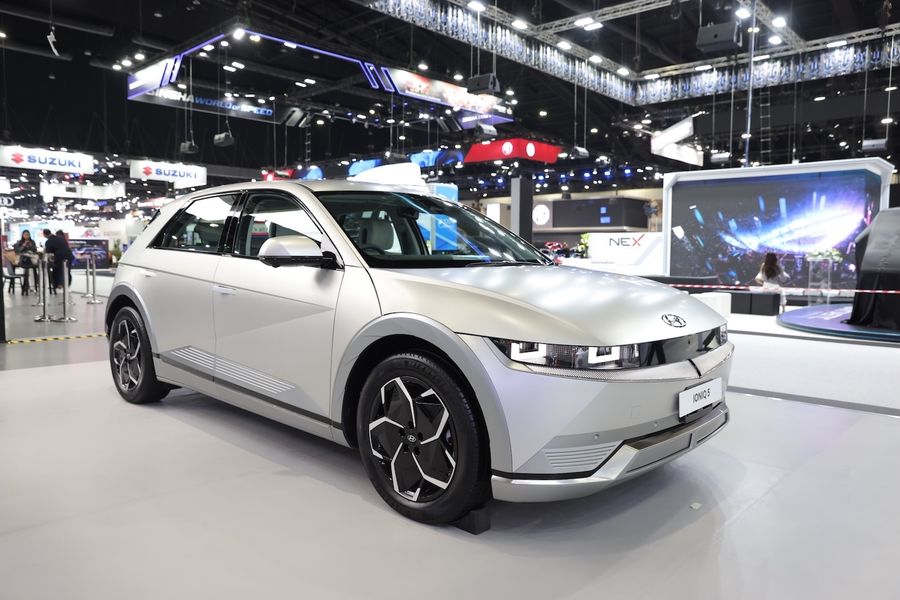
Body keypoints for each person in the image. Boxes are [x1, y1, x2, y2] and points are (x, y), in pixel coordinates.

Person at [13, 230, 39, 295]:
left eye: (28, 234)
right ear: (22, 235)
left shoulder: (32, 242)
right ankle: (25, 286)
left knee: (32, 271)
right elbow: (18, 251)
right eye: (25, 235)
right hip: (23, 260)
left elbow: (35, 250)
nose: (26, 236)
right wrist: (24, 245)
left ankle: (33, 286)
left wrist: (30, 245)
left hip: (31, 260)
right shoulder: (19, 242)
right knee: (25, 272)